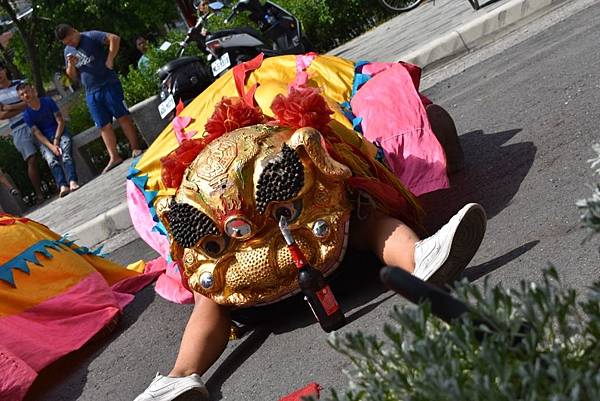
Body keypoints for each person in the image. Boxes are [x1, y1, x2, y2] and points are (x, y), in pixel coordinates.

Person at [130, 54, 487, 401]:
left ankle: (181, 374)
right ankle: (416, 259)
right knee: (365, 218)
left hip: (261, 294)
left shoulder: (184, 161)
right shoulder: (272, 97)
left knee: (208, 299)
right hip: (327, 257)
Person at [55, 24, 143, 174]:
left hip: (108, 83)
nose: (70, 44)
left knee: (122, 116)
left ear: (74, 32)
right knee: (102, 125)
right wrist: (71, 65)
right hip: (91, 91)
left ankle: (135, 147)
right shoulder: (68, 51)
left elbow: (114, 38)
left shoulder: (91, 35)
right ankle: (114, 156)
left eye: (70, 40)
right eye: (66, 43)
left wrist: (110, 58)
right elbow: (72, 77)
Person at [17, 82, 79, 198]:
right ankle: (62, 185)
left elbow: (60, 121)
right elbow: (37, 134)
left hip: (60, 133)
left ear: (33, 90)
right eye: (22, 94)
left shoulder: (48, 102)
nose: (26, 95)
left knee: (65, 153)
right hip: (45, 141)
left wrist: (56, 140)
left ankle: (72, 180)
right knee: (51, 160)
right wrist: (51, 146)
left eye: (27, 91)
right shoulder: (27, 115)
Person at [0, 64, 44, 203]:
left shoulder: (20, 83)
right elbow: (1, 115)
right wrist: (23, 105)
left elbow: (32, 98)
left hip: (35, 120)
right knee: (31, 159)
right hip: (18, 128)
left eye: (0, 70)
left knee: (50, 149)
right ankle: (39, 194)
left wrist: (11, 107)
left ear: (5, 70)